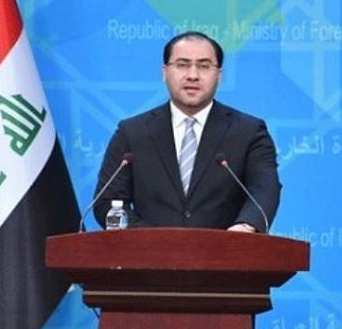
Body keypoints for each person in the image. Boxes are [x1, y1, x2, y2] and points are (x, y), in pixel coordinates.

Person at [92, 30, 281, 233]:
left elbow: (264, 189)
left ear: (219, 75)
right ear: (165, 72)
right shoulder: (132, 132)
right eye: (182, 65)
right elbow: (107, 201)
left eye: (204, 66)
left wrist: (245, 226)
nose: (193, 75)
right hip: (149, 251)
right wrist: (150, 239)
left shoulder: (249, 132)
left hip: (224, 250)